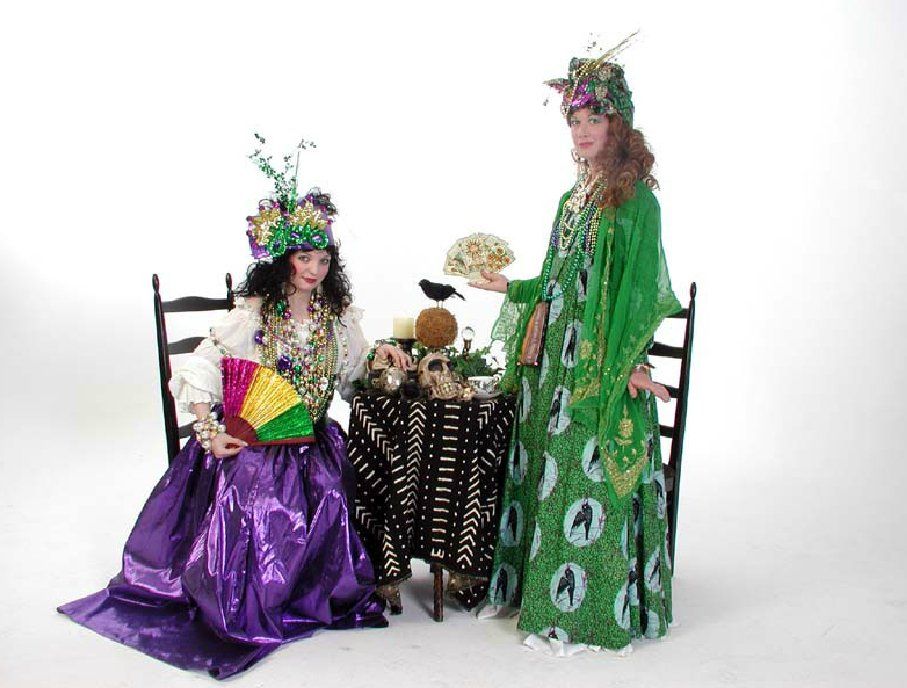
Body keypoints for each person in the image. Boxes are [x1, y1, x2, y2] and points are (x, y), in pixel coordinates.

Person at [58, 177, 412, 678]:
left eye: (324, 261)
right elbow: (201, 366)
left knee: (335, 489)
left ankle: (307, 589)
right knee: (258, 495)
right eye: (304, 258)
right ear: (283, 259)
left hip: (311, 438)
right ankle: (252, 594)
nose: (314, 270)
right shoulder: (255, 315)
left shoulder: (337, 320)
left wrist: (379, 353)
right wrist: (208, 432)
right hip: (257, 442)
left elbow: (353, 381)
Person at [470, 43, 681, 654]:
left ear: (619, 124)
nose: (585, 132)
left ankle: (584, 614)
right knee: (541, 460)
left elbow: (640, 294)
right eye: (576, 121)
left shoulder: (636, 201)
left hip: (597, 365)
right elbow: (559, 281)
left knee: (582, 471)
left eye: (597, 120)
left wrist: (634, 367)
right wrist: (506, 285)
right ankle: (524, 589)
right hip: (552, 362)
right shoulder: (573, 199)